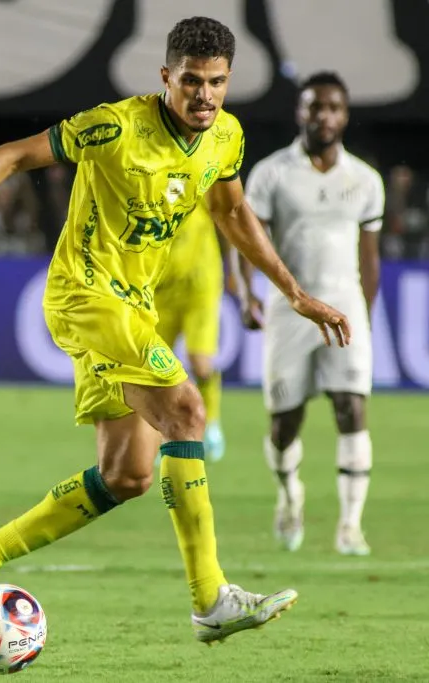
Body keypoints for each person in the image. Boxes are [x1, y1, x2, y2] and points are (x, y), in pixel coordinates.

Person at [0, 16, 350, 644]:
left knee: (128, 475)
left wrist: (295, 293)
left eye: (217, 82)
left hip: (133, 307)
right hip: (84, 296)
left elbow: (232, 211)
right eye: (191, 81)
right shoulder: (116, 125)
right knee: (187, 412)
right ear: (166, 77)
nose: (204, 95)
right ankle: (211, 598)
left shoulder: (226, 137)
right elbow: (17, 153)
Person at [237, 72, 383, 556]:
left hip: (345, 311)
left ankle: (351, 526)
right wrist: (247, 294)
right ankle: (289, 495)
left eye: (333, 107)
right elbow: (247, 238)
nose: (323, 115)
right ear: (300, 112)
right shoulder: (272, 173)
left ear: (345, 115)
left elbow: (369, 255)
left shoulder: (365, 180)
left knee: (351, 409)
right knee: (285, 423)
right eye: (314, 106)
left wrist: (366, 313)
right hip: (289, 313)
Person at [154, 204, 228, 462]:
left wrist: (233, 265)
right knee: (153, 368)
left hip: (200, 289)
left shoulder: (195, 183)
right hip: (161, 291)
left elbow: (228, 214)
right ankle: (158, 432)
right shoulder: (143, 192)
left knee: (200, 361)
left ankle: (212, 426)